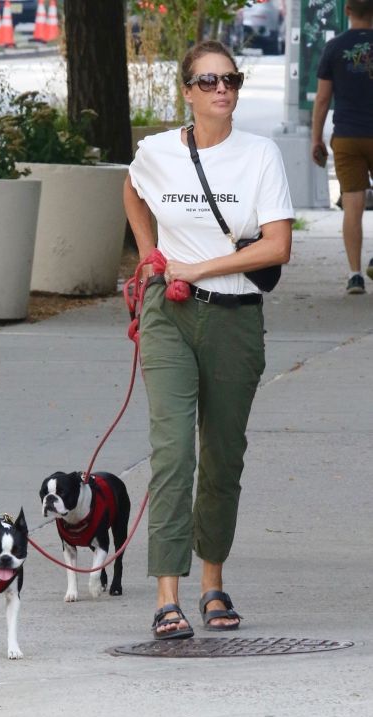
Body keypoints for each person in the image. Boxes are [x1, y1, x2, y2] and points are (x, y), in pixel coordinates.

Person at [123, 40, 293, 639]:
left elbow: (276, 246)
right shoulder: (158, 151)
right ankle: (166, 595)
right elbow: (132, 189)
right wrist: (150, 255)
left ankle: (212, 583)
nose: (224, 89)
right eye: (210, 81)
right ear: (188, 91)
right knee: (173, 454)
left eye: (231, 79)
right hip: (168, 316)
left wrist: (197, 267)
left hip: (235, 318)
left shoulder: (260, 156)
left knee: (222, 458)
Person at [311, 0, 373, 295]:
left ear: (347, 10)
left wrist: (316, 138)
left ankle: (355, 274)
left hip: (347, 135)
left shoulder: (334, 48)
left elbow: (323, 99)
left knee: (353, 204)